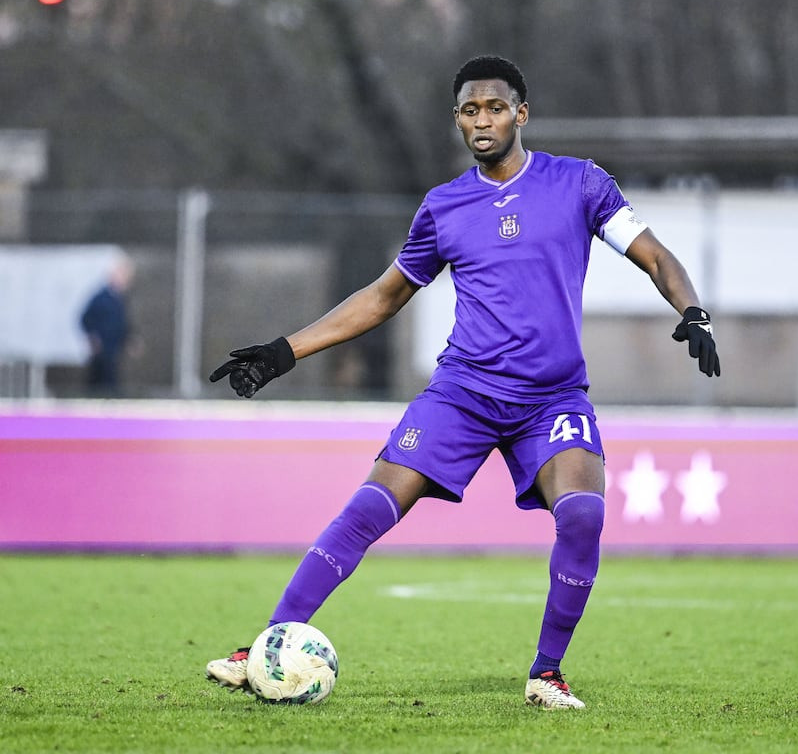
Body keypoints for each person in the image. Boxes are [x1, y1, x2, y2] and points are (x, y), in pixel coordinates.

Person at [205, 55, 721, 710]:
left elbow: (655, 254)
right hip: (464, 392)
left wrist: (693, 310)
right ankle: (262, 647)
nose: (483, 120)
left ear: (521, 114)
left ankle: (547, 673)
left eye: (495, 107)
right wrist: (286, 351)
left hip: (552, 397)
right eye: (470, 110)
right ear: (458, 120)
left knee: (584, 514)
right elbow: (384, 297)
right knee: (369, 507)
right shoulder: (444, 207)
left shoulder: (581, 184)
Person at [80, 252, 135, 395]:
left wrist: (129, 339)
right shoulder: (101, 297)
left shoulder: (120, 299)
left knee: (109, 384)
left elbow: (122, 323)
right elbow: (85, 318)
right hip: (102, 350)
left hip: (113, 349)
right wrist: (93, 337)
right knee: (100, 384)